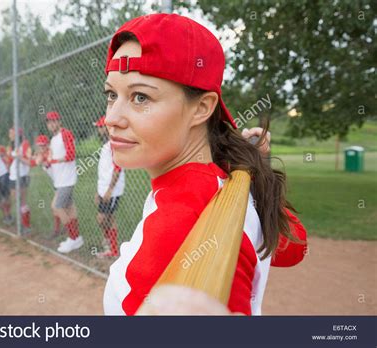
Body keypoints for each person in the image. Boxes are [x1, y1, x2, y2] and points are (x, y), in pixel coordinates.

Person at [102, 14, 307, 316]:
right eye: (111, 95)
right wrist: (256, 169)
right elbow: (294, 246)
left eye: (140, 96)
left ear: (202, 108)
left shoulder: (184, 214)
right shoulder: (224, 179)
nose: (112, 118)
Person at [42, 111, 83, 253]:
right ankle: (76, 238)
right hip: (60, 180)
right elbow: (54, 159)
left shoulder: (65, 134)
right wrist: (48, 163)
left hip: (67, 179)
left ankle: (73, 238)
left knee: (57, 207)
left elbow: (71, 155)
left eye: (54, 121)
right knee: (70, 207)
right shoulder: (53, 139)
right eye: (49, 122)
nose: (51, 124)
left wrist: (54, 160)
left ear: (59, 122)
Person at [93, 115, 126, 258]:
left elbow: (117, 168)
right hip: (104, 189)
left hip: (111, 191)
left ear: (107, 129)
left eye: (101, 127)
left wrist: (110, 190)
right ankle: (111, 247)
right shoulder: (107, 145)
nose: (99, 130)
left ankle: (111, 248)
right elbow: (104, 170)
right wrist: (99, 191)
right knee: (106, 218)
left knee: (103, 218)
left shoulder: (114, 144)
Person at [7, 127, 33, 234]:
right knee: (17, 201)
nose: (10, 135)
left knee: (21, 201)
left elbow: (29, 160)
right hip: (13, 176)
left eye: (12, 133)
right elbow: (10, 161)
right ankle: (21, 224)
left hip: (21, 176)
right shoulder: (12, 146)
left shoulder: (25, 144)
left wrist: (18, 156)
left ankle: (26, 226)